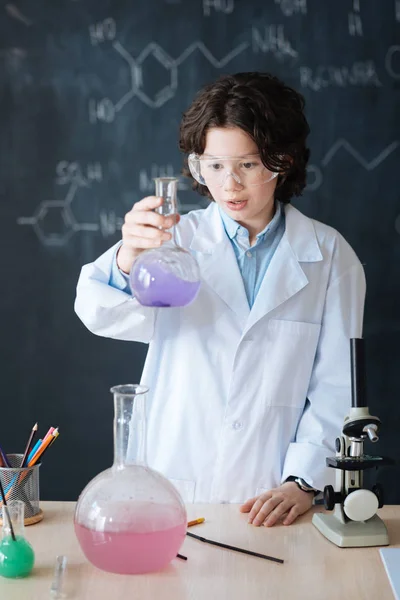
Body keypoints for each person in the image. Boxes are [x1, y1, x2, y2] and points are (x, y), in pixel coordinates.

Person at [75, 72, 366, 527]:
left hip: (273, 497)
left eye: (247, 165)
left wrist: (303, 480)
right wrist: (130, 257)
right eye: (213, 166)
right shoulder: (175, 244)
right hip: (174, 489)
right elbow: (100, 313)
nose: (228, 185)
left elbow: (336, 388)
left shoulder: (329, 257)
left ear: (282, 160)